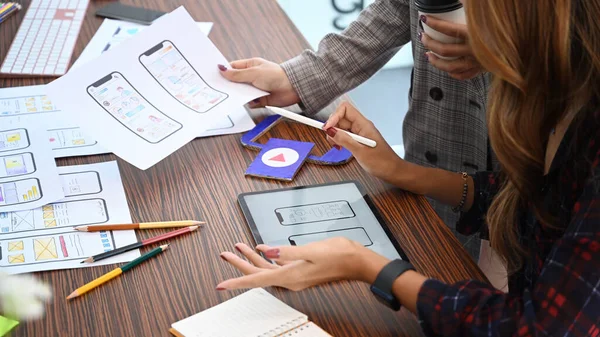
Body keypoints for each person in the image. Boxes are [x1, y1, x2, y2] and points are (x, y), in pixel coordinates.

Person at [216, 0, 600, 335]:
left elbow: (532, 327)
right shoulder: (561, 101)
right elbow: (529, 203)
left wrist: (368, 266)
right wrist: (401, 172)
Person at [218, 0, 488, 260]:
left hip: (508, 187)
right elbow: (398, 8)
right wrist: (299, 78)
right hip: (428, 162)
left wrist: (504, 52)